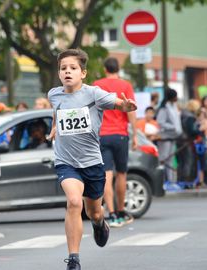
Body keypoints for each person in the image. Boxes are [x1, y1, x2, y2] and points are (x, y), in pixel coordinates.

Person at [47, 49, 137, 270]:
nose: (67, 72)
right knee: (74, 202)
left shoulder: (94, 94)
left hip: (92, 162)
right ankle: (74, 259)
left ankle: (99, 223)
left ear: (83, 73)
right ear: (59, 73)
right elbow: (58, 112)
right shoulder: (54, 94)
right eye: (63, 68)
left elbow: (118, 103)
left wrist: (126, 106)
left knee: (94, 211)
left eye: (73, 68)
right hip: (66, 161)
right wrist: (54, 127)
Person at [93, 57, 137, 228]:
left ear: (105, 69)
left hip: (103, 134)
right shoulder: (125, 85)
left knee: (106, 175)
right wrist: (134, 134)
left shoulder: (97, 84)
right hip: (120, 134)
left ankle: (111, 213)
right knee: (122, 174)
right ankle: (120, 210)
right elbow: (131, 111)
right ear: (118, 68)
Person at [156, 88, 183, 184]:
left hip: (173, 137)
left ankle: (171, 181)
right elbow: (160, 122)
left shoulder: (174, 106)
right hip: (165, 137)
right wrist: (173, 127)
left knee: (170, 160)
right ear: (171, 97)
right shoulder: (164, 108)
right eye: (175, 96)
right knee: (163, 159)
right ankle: (161, 181)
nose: (177, 98)